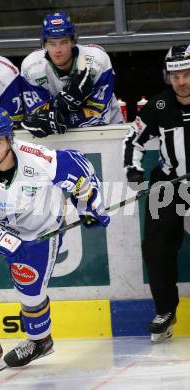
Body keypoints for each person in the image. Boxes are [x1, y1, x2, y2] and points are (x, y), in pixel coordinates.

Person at [0, 106, 110, 380]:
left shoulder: (39, 160)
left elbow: (79, 165)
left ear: (10, 139)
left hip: (37, 230)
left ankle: (40, 341)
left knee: (30, 293)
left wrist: (90, 206)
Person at [123, 44, 190, 343]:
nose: (181, 82)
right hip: (170, 185)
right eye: (175, 76)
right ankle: (165, 310)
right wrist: (133, 170)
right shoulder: (159, 106)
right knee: (156, 247)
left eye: (187, 74)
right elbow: (133, 139)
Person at [20, 12, 123, 138]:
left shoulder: (98, 61)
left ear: (73, 41)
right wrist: (63, 103)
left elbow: (98, 115)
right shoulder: (31, 67)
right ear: (44, 44)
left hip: (107, 133)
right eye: (52, 43)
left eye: (63, 42)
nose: (58, 50)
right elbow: (38, 117)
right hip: (56, 138)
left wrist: (58, 116)